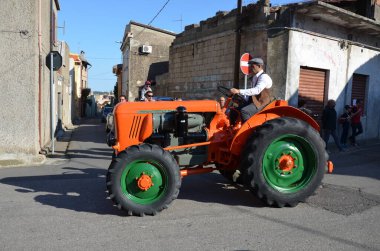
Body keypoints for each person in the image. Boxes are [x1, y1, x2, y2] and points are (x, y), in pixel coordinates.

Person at [229, 57, 273, 122]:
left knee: (245, 111)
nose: (250, 68)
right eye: (250, 66)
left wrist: (239, 91)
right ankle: (232, 129)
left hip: (262, 103)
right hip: (255, 102)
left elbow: (256, 90)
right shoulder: (255, 77)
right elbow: (252, 93)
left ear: (259, 66)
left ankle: (249, 131)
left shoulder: (264, 77)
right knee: (234, 110)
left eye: (252, 66)